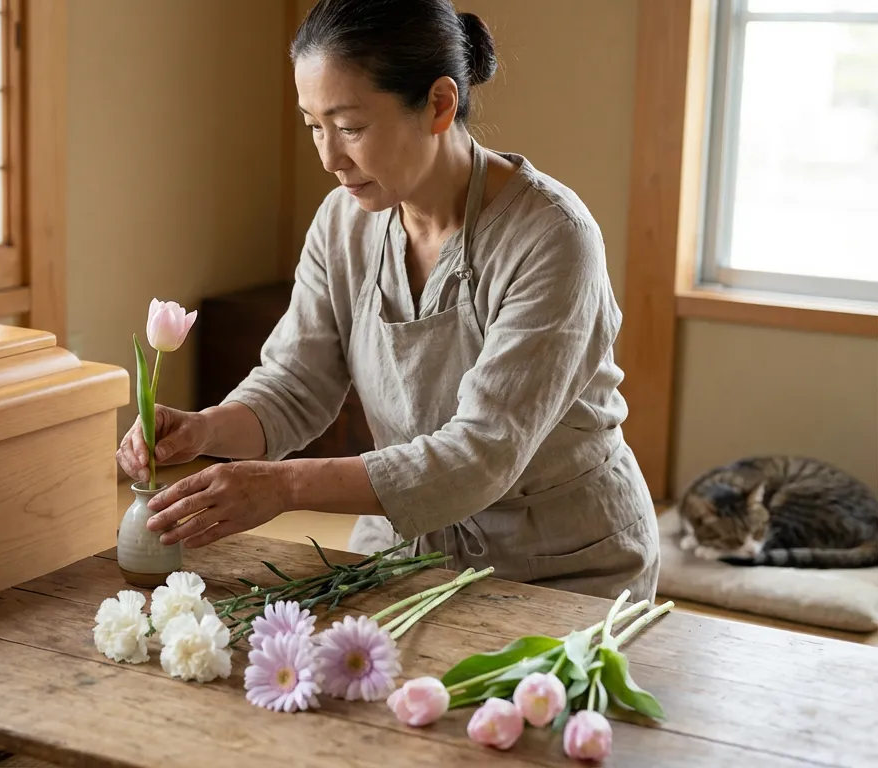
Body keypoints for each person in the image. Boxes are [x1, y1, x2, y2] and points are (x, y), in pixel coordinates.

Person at [114, 0, 659, 601]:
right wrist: (202, 430)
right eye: (313, 125)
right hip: (402, 549)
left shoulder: (554, 238)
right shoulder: (342, 223)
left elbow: (480, 455)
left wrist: (283, 487)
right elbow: (295, 387)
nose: (328, 158)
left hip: (562, 564)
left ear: (439, 104)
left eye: (350, 127)